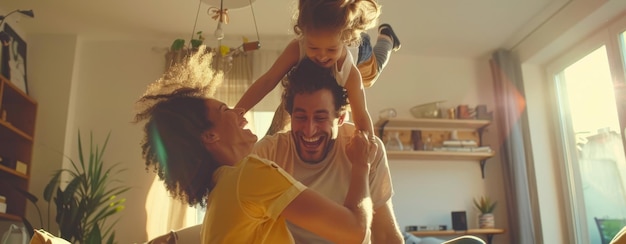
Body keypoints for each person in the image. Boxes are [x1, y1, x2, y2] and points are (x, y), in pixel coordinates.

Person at [134, 47, 378, 243]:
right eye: (224, 110)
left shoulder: (222, 190)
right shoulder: (250, 175)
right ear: (210, 137)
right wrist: (361, 165)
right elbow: (354, 232)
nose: (239, 112)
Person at [251, 57, 404, 244]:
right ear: (290, 115)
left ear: (340, 118)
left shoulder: (367, 149)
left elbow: (385, 235)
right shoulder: (267, 154)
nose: (309, 130)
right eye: (300, 117)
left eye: (320, 118)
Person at [235, 0, 401, 136]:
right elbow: (268, 81)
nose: (322, 56)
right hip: (335, 32)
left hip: (361, 49)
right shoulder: (297, 48)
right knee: (291, 106)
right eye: (313, 48)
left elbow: (361, 114)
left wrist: (369, 145)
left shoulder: (348, 71)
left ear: (343, 41)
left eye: (330, 50)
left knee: (372, 73)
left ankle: (387, 37)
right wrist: (237, 112)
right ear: (303, 36)